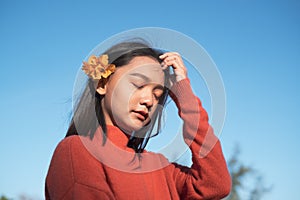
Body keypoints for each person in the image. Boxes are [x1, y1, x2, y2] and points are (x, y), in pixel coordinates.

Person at [45, 40, 231, 199]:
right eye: (138, 84)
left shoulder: (158, 167)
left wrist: (184, 95)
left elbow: (215, 184)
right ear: (102, 84)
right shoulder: (77, 150)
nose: (149, 101)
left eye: (157, 95)